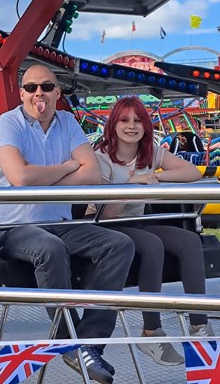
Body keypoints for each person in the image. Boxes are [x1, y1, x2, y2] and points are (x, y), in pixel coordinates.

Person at [0, 65, 135, 384]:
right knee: (49, 248)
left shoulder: (67, 122)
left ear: (57, 93)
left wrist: (44, 176)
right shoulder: (6, 124)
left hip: (57, 221)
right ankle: (70, 343)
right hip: (12, 225)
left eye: (47, 86)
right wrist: (67, 167)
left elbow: (92, 173)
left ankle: (89, 341)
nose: (39, 92)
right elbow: (20, 178)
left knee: (119, 244)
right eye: (32, 87)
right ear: (22, 93)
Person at [86, 96, 214, 367]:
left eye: (137, 121)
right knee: (152, 244)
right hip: (107, 227)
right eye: (124, 120)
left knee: (190, 241)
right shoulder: (102, 158)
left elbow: (191, 171)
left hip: (136, 222)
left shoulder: (149, 152)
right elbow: (104, 214)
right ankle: (151, 331)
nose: (131, 126)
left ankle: (199, 327)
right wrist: (132, 184)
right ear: (113, 125)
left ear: (146, 126)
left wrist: (156, 176)